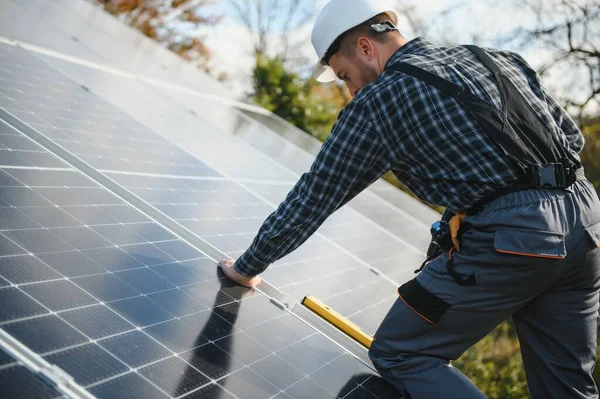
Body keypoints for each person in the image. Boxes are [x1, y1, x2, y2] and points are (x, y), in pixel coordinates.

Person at [219, 0, 600, 397]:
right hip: (588, 227)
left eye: (345, 76)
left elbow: (315, 196)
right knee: (567, 389)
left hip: (517, 240)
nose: (350, 90)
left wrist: (248, 267)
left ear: (366, 47)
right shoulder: (494, 58)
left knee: (402, 353)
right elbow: (572, 139)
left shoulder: (380, 101)